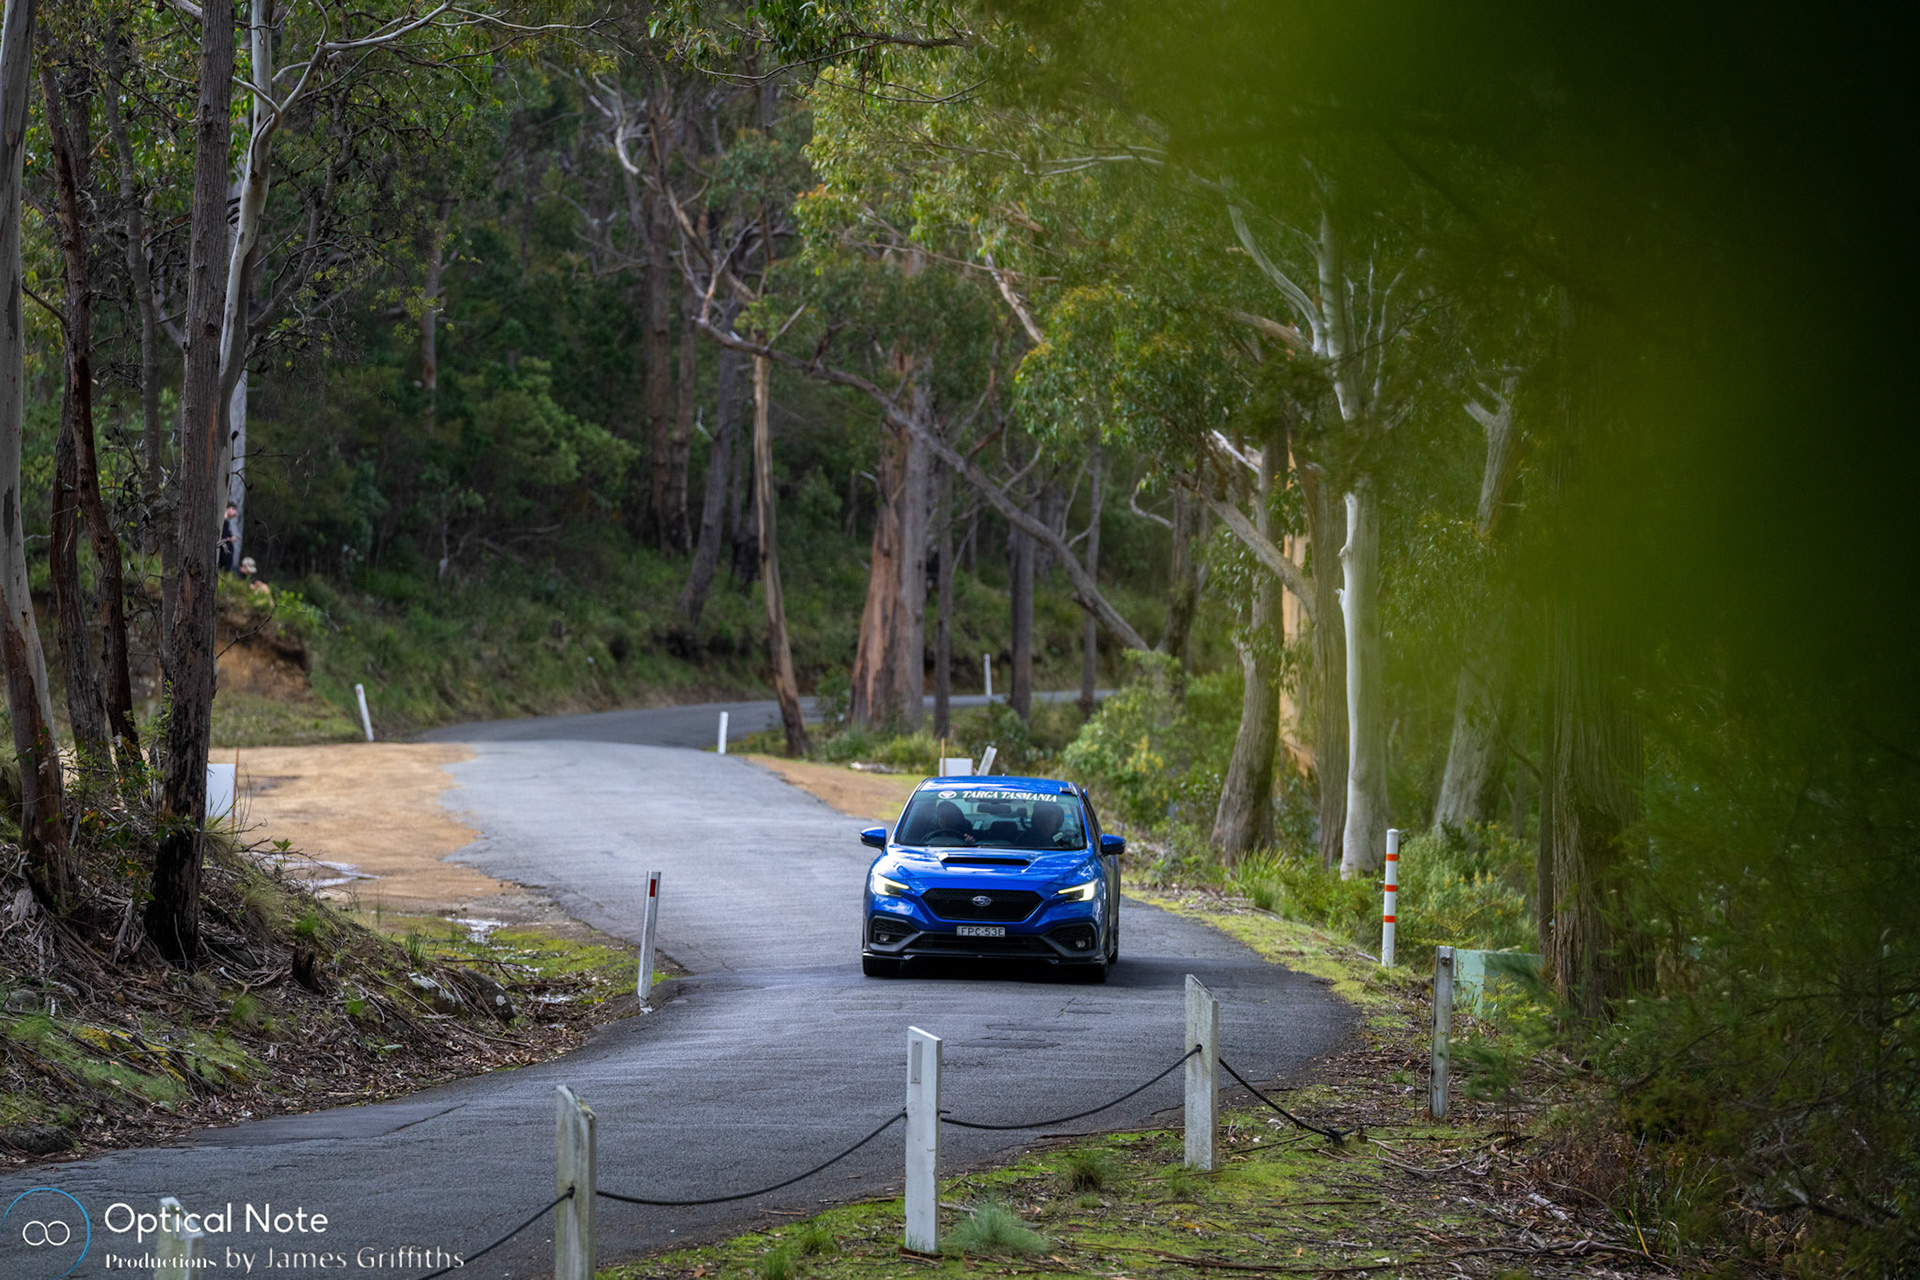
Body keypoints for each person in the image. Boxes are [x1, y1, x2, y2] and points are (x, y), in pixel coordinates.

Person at [218, 503, 239, 573]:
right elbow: (222, 538)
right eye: (234, 510)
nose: (235, 513)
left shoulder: (226, 523)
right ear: (229, 509)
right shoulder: (223, 523)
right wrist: (230, 539)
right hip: (222, 555)